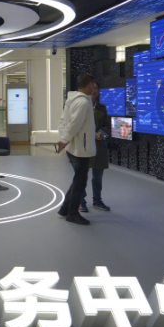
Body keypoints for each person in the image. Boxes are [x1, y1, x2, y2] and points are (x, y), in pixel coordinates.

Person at [55, 73, 96, 226]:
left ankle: (65, 208)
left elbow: (63, 121)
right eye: (93, 85)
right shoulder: (83, 103)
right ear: (90, 84)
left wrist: (64, 139)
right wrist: (63, 141)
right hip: (81, 148)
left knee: (78, 179)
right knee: (80, 181)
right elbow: (74, 124)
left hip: (74, 147)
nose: (94, 88)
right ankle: (72, 213)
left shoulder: (71, 100)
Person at [80, 81, 111, 212]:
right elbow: (76, 126)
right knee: (82, 176)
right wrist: (91, 134)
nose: (93, 90)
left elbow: (107, 126)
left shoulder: (101, 108)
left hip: (99, 146)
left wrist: (101, 133)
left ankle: (97, 201)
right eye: (91, 88)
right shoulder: (81, 107)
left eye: (96, 88)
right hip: (84, 146)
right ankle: (81, 201)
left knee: (97, 177)